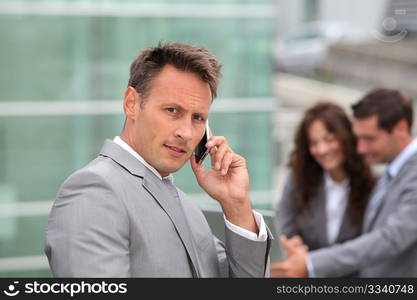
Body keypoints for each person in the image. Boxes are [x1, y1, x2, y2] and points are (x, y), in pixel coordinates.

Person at [45, 42, 272, 277]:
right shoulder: (93, 191)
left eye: (197, 117)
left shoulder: (186, 207)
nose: (185, 132)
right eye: (172, 110)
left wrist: (237, 206)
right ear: (131, 103)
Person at [273, 88, 417, 277]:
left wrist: (310, 263)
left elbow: (390, 238)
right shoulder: (392, 174)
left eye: (369, 139)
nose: (361, 148)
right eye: (359, 139)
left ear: (400, 128)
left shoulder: (383, 178)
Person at [270, 102, 375, 277]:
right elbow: (284, 232)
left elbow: (372, 247)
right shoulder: (298, 181)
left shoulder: (373, 184)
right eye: (314, 143)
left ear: (346, 137)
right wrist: (290, 246)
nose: (322, 150)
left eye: (329, 139)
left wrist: (311, 262)